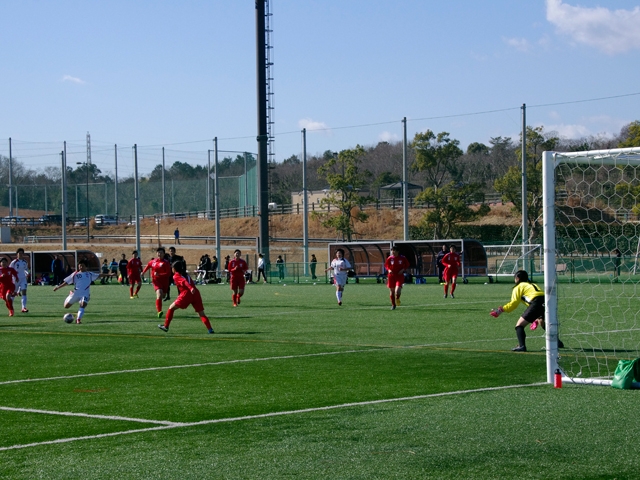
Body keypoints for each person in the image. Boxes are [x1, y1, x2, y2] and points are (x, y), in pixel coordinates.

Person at [490, 269, 565, 352]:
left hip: (536, 302)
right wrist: (535, 318)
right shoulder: (531, 284)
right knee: (542, 322)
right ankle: (557, 342)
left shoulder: (518, 287)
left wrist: (501, 310)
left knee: (519, 325)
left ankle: (522, 346)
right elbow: (535, 300)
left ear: (517, 278)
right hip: (546, 301)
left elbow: (514, 303)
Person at [158, 261, 214, 334]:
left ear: (174, 269)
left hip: (187, 293)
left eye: (172, 267)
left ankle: (166, 326)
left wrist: (190, 288)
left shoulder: (176, 275)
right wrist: (191, 288)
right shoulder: (185, 274)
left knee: (171, 308)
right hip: (196, 293)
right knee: (201, 314)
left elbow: (184, 282)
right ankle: (210, 329)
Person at [53, 259, 106, 324]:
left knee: (83, 305)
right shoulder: (75, 274)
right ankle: (71, 294)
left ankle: (78, 319)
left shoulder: (89, 274)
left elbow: (99, 275)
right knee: (66, 306)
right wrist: (58, 287)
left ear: (86, 266)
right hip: (76, 293)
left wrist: (110, 275)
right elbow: (66, 282)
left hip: (85, 294)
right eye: (79, 266)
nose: (80, 267)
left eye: (82, 266)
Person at [141, 247, 172, 318]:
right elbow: (148, 265)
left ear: (164, 254)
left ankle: (159, 307)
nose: (159, 254)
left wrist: (160, 274)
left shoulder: (166, 263)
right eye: (158, 252)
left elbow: (168, 274)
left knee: (163, 295)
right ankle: (159, 311)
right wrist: (143, 272)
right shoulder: (153, 261)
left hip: (165, 281)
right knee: (159, 294)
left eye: (161, 253)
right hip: (156, 281)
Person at [384, 245, 410, 310]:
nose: (393, 252)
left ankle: (397, 298)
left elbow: (407, 264)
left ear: (398, 251)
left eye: (394, 250)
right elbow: (386, 265)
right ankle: (393, 305)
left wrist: (402, 269)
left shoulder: (402, 258)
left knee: (397, 291)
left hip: (399, 276)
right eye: (392, 250)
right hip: (391, 276)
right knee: (392, 291)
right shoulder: (390, 258)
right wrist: (389, 270)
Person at [10, 247, 29, 313]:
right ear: (17, 254)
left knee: (24, 292)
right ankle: (10, 307)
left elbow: (26, 269)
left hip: (23, 279)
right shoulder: (14, 262)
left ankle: (23, 308)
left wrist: (27, 273)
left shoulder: (25, 262)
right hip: (15, 279)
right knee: (13, 294)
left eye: (22, 253)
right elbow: (10, 270)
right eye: (19, 253)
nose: (20, 254)